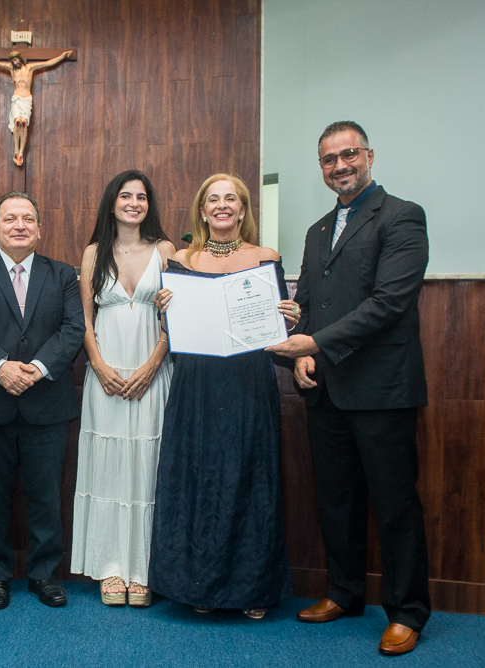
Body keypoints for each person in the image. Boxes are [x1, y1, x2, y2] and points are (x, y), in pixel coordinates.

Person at [266, 121, 431, 656]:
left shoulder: (403, 216)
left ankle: (407, 611)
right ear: (321, 168)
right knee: (336, 500)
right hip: (327, 390)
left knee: (394, 504)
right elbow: (311, 304)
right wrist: (301, 352)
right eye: (329, 159)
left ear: (369, 156)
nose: (340, 166)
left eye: (349, 155)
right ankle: (345, 592)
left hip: (383, 389)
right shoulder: (317, 232)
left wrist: (314, 340)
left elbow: (389, 303)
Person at [151, 174, 301, 619]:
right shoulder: (181, 259)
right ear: (202, 210)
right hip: (196, 382)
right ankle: (198, 585)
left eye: (230, 199)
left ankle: (252, 589)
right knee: (197, 477)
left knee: (250, 477)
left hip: (248, 382)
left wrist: (291, 316)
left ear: (242, 209)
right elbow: (171, 333)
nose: (221, 206)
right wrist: (164, 313)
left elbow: (278, 327)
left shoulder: (265, 257)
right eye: (212, 199)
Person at [0, 191, 85, 609]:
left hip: (46, 401)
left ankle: (44, 575)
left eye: (28, 218)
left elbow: (72, 329)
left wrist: (38, 368)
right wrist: (1, 367)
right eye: (10, 219)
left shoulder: (62, 274)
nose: (19, 225)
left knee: (46, 494)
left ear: (39, 228)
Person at [69, 170, 175, 607]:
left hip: (152, 373)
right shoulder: (95, 252)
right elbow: (86, 322)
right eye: (126, 195)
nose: (134, 202)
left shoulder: (167, 250)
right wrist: (98, 365)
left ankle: (145, 568)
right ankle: (112, 567)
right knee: (109, 468)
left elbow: (176, 322)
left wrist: (153, 365)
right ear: (112, 202)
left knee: (148, 468)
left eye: (142, 196)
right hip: (107, 378)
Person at [0, 49, 72, 166]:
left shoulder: (30, 68)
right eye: (13, 61)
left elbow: (48, 63)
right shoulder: (11, 69)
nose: (14, 62)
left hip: (26, 100)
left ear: (19, 58)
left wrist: (63, 56)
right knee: (17, 122)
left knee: (23, 123)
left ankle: (20, 152)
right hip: (16, 99)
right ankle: (15, 150)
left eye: (15, 60)